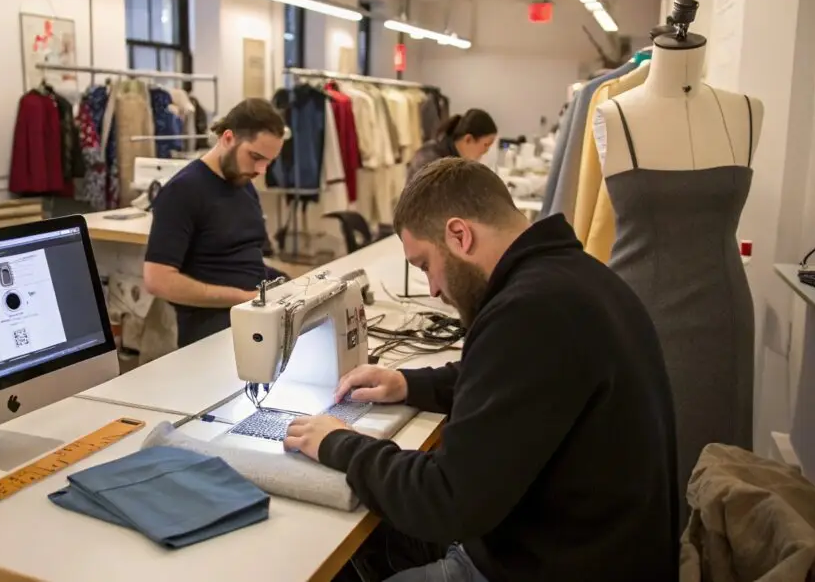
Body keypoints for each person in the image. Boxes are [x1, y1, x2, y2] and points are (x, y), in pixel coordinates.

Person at [283, 158, 679, 582]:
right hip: (595, 546)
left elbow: (445, 502)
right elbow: (509, 381)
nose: (433, 289)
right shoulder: (574, 278)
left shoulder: (528, 313)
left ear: (459, 235)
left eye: (424, 266)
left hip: (547, 564)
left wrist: (339, 443)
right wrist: (407, 383)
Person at [143, 98, 286, 348]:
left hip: (254, 319)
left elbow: (245, 257)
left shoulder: (243, 185)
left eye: (268, 162)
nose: (261, 170)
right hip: (214, 333)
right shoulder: (183, 191)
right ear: (228, 138)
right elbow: (158, 280)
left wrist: (291, 286)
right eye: (255, 157)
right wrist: (243, 298)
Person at [407, 108, 498, 182]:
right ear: (468, 139)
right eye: (486, 145)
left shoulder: (458, 160)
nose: (486, 151)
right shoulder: (430, 160)